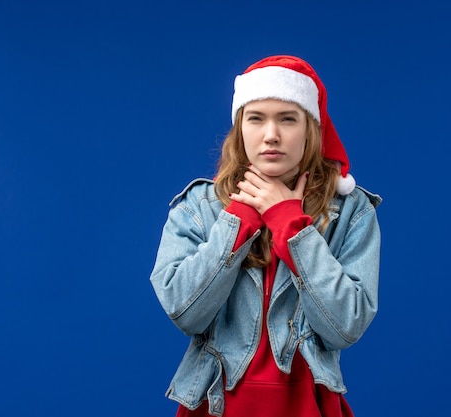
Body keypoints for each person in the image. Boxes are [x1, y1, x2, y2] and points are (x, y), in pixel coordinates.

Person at [149, 55, 382, 417]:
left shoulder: (351, 211)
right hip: (215, 405)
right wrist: (239, 219)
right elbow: (185, 312)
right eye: (256, 118)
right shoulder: (199, 206)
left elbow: (345, 327)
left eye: (288, 119)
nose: (271, 135)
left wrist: (289, 222)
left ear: (310, 129)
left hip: (308, 406)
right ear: (240, 128)